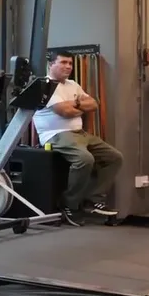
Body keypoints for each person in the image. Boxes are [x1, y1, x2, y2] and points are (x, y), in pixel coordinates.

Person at [32, 51, 123, 225]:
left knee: (114, 158)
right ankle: (70, 204)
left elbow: (94, 104)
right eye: (63, 62)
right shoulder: (45, 85)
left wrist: (75, 104)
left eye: (70, 63)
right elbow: (65, 112)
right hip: (56, 134)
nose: (68, 67)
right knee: (84, 159)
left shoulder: (73, 84)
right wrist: (80, 106)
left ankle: (93, 198)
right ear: (51, 64)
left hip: (79, 133)